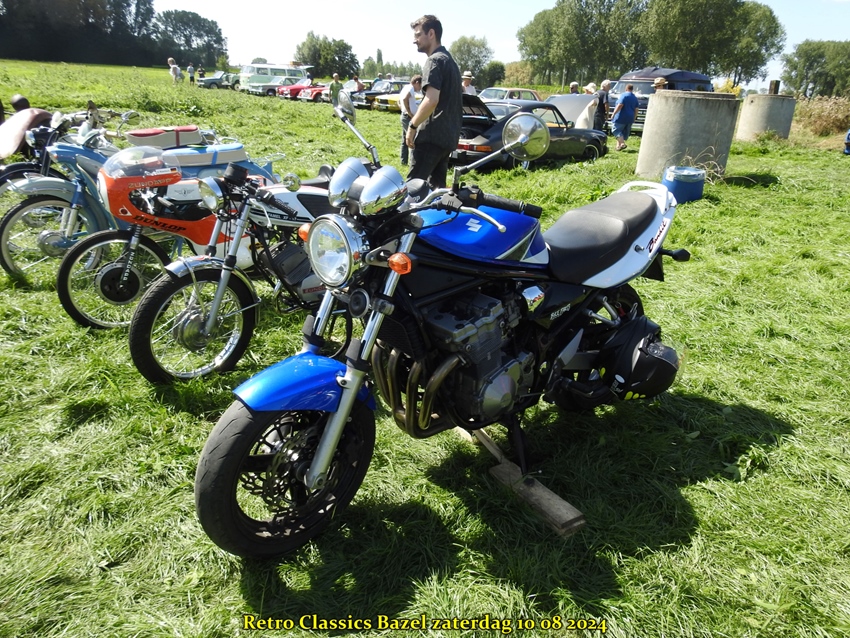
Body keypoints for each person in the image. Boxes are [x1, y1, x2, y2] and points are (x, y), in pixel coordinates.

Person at [405, 14, 461, 189]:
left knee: (412, 190)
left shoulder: (434, 60)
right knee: (437, 192)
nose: (414, 40)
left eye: (418, 35)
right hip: (447, 139)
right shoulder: (450, 62)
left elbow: (431, 100)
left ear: (431, 34)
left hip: (430, 138)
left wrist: (412, 126)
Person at [399, 75, 422, 165]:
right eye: (420, 85)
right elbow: (405, 99)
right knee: (412, 139)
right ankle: (413, 162)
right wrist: (409, 112)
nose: (420, 88)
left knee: (405, 139)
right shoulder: (411, 88)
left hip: (404, 115)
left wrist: (403, 109)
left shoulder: (405, 87)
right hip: (408, 117)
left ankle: (403, 161)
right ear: (417, 82)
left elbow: (399, 101)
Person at [610, 83, 639, 151]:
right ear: (632, 89)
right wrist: (634, 117)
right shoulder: (634, 97)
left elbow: (620, 105)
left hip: (621, 117)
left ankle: (622, 143)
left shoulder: (624, 95)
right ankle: (618, 147)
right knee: (622, 132)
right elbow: (636, 109)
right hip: (630, 118)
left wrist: (614, 113)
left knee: (615, 130)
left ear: (626, 88)